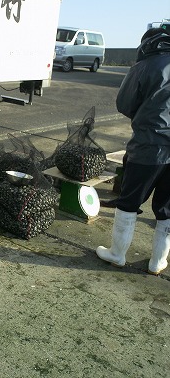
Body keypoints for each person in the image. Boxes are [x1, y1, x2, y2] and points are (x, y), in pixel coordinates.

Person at [96, 27, 170, 275]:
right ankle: (157, 262)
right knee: (167, 209)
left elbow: (124, 104)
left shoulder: (145, 65)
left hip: (148, 148)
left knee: (128, 202)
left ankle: (117, 255)